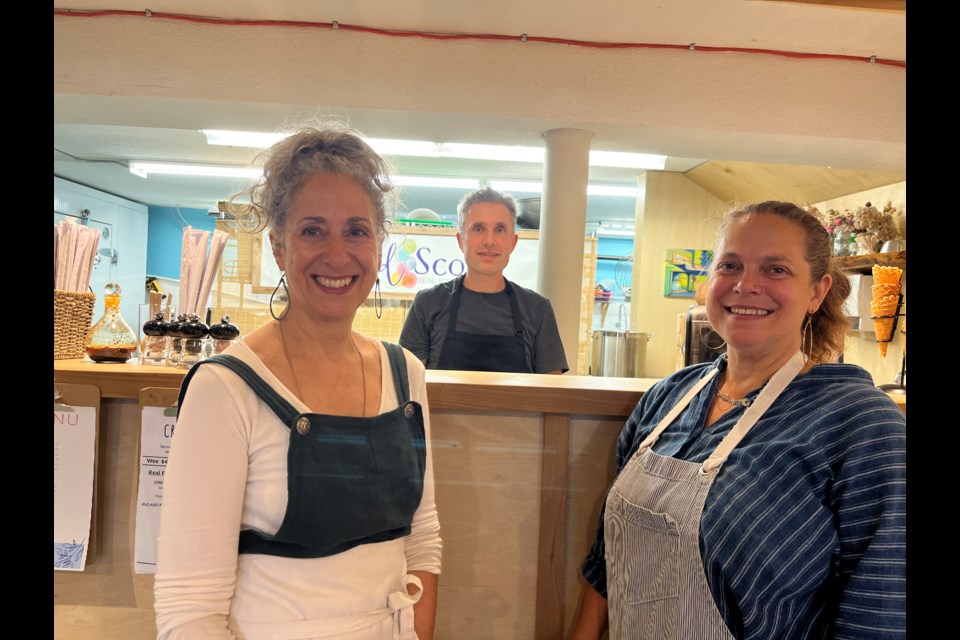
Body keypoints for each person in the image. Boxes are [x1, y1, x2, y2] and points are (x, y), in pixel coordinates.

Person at [154, 125, 442, 640]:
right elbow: (189, 606)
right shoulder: (226, 387)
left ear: (379, 244)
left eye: (357, 230)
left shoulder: (406, 375)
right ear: (279, 247)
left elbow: (421, 542)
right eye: (313, 230)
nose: (337, 254)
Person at [571, 201, 906, 639]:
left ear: (817, 292)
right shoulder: (667, 398)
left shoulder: (859, 424)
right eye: (730, 264)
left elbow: (879, 612)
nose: (746, 285)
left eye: (776, 270)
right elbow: (606, 563)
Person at [399, 186, 568, 374]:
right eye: (478, 229)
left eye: (500, 229)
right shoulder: (428, 303)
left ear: (513, 243)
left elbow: (552, 394)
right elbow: (408, 386)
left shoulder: (538, 310)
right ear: (460, 240)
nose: (489, 240)